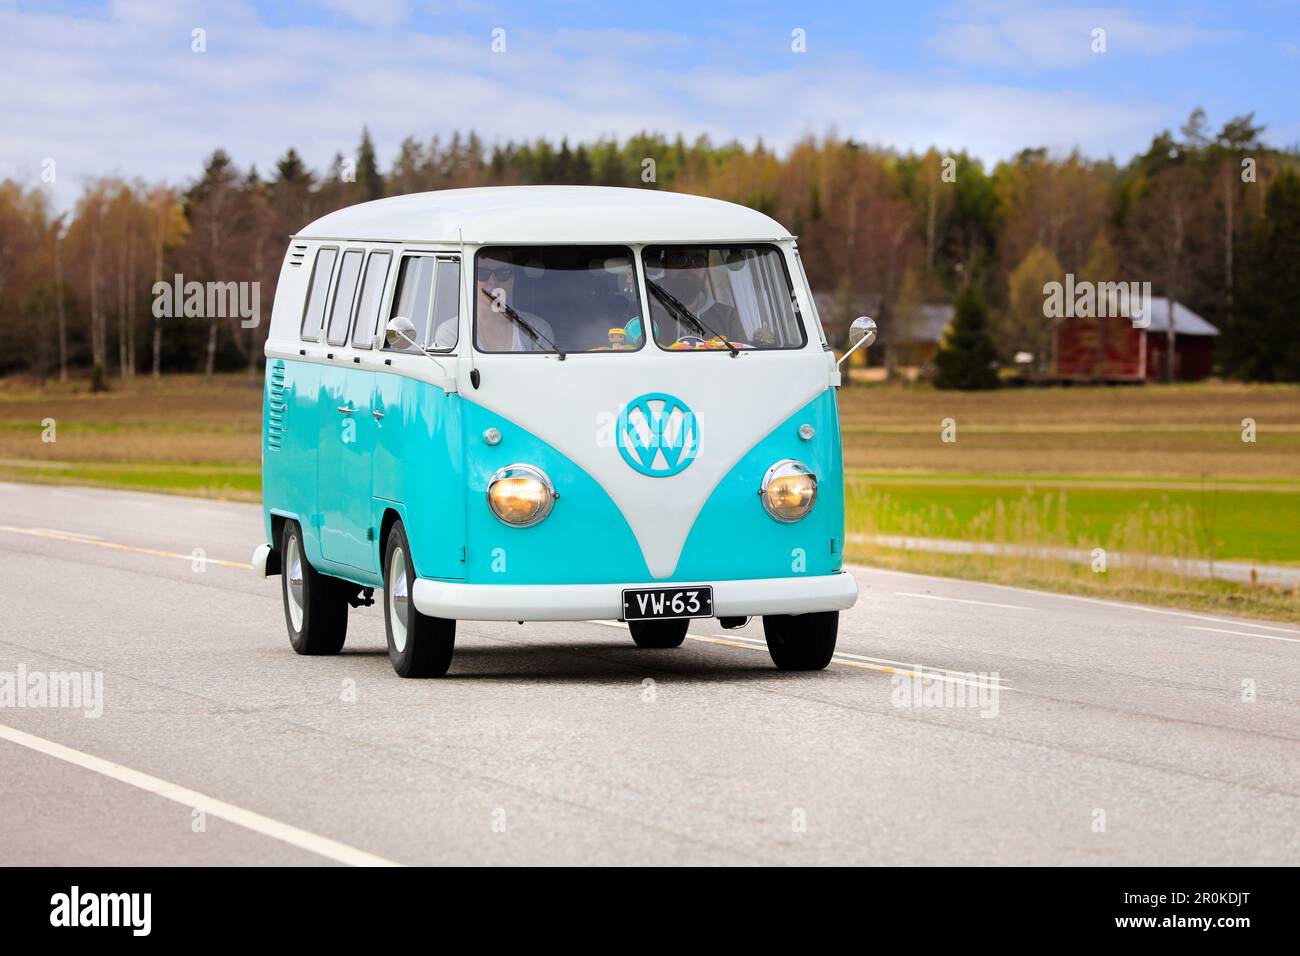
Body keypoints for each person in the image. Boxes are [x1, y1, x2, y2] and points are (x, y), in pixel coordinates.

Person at [655, 249, 746, 345]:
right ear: (665, 264)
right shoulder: (644, 311)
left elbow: (743, 356)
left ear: (706, 269)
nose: (689, 268)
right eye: (679, 259)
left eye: (699, 261)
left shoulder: (727, 318)